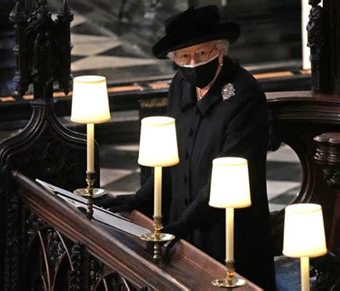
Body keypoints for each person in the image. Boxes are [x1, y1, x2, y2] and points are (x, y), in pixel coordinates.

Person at [99, 5, 276, 290]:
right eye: (183, 56)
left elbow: (229, 173)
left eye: (201, 53)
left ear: (220, 50)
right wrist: (138, 198)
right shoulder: (180, 84)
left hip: (226, 230)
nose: (192, 63)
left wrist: (182, 225)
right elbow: (170, 156)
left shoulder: (244, 94)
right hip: (181, 224)